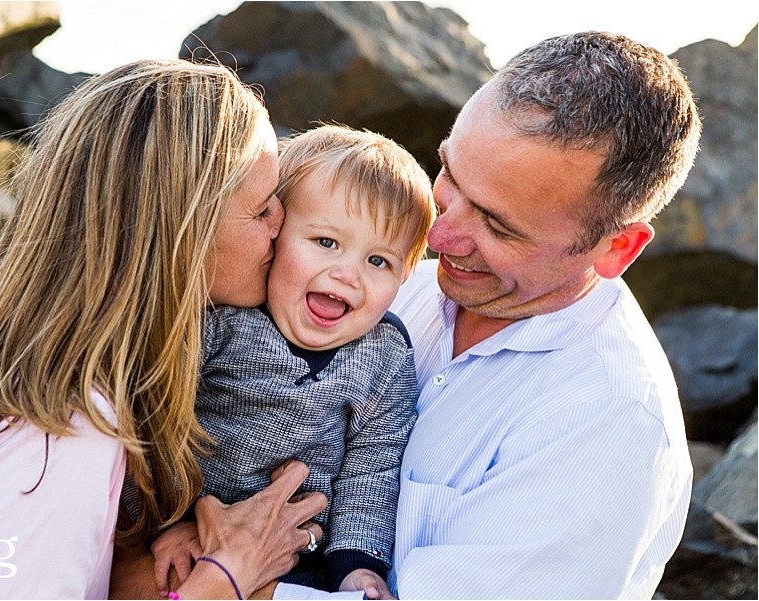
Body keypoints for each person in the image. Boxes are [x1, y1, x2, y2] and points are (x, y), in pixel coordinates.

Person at [0, 59, 327, 599]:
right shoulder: (60, 430)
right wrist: (227, 579)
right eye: (263, 207)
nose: (284, 224)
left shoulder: (19, 377)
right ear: (183, 230)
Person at [272, 31, 701, 600]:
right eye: (448, 174)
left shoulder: (609, 422)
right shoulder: (396, 288)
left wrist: (199, 585)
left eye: (499, 226)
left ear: (615, 250)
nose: (439, 235)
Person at [148, 125, 436, 597]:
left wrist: (358, 565)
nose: (347, 275)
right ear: (275, 233)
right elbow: (155, 426)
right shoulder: (224, 319)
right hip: (193, 533)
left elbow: (372, 469)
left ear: (406, 274)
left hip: (304, 560)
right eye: (325, 242)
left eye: (379, 261)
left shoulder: (384, 356)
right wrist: (167, 524)